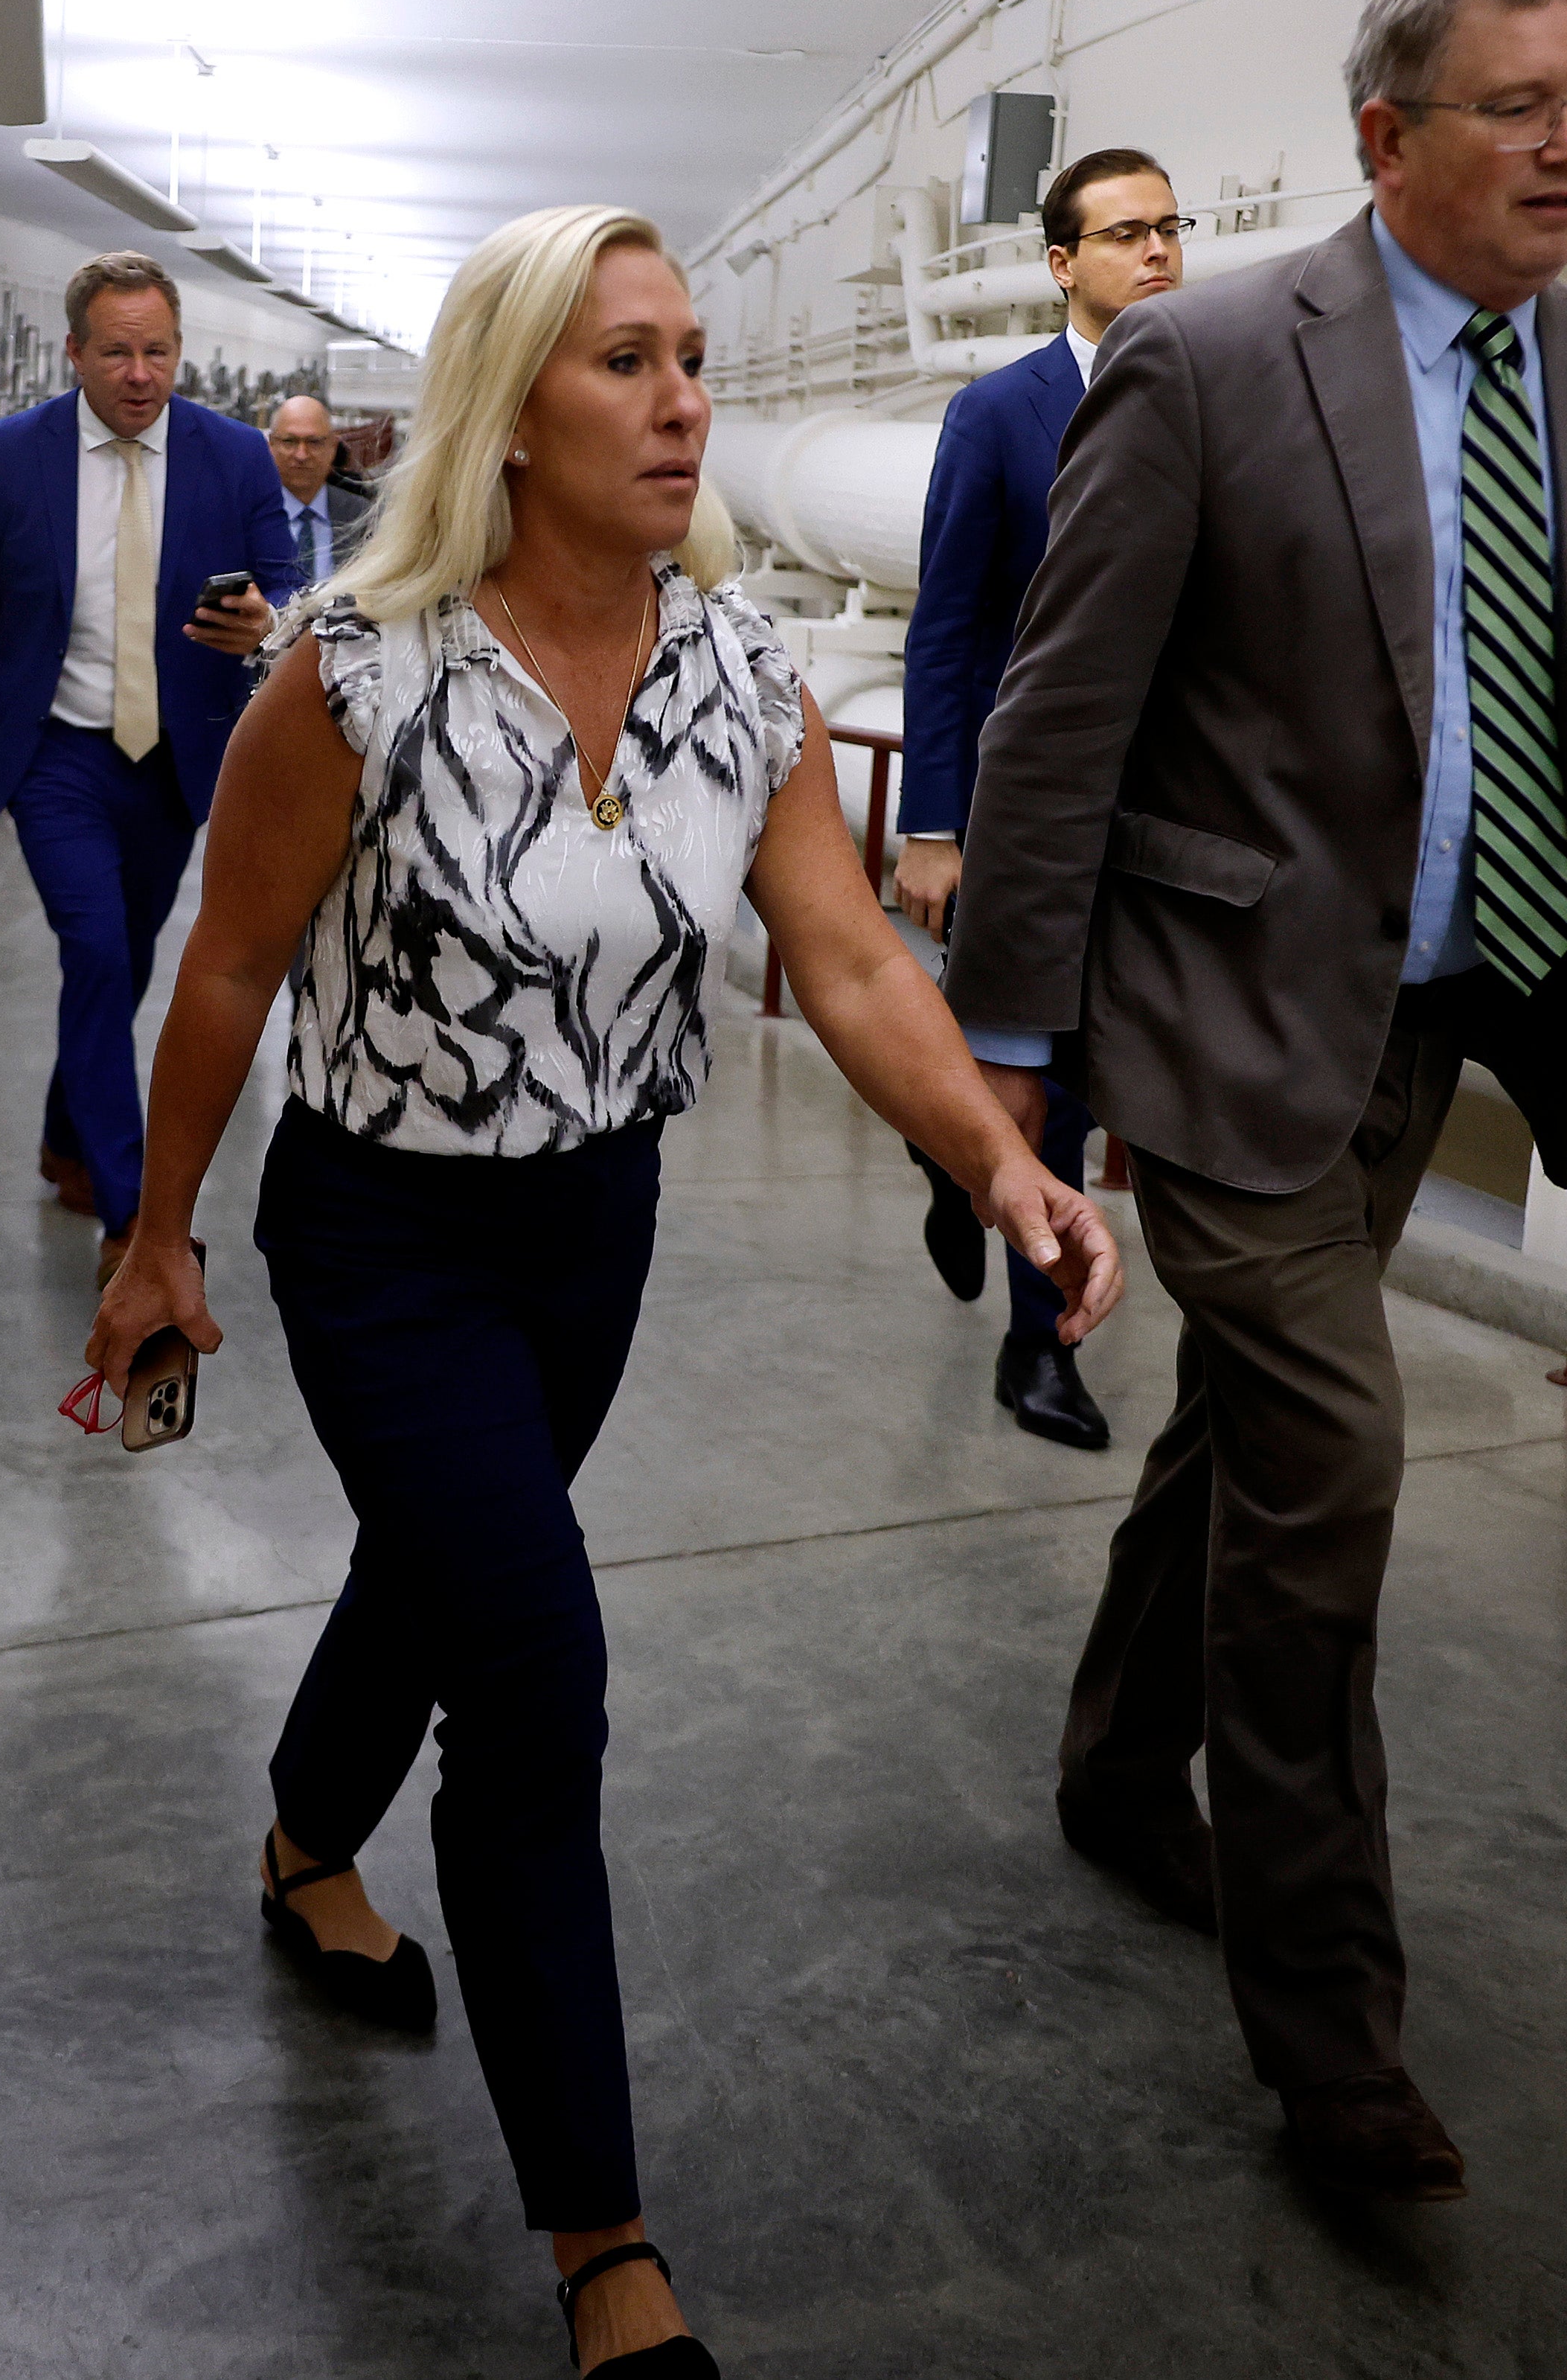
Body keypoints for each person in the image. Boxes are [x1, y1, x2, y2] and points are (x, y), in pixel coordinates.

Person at [84, 206, 1123, 2377]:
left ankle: (296, 1834)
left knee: (455, 1562)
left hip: (589, 1229)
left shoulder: (745, 680)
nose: (677, 401)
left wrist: (1003, 1158)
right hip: (378, 1232)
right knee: (531, 1665)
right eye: (622, 361)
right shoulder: (356, 669)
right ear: (513, 408)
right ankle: (604, 2245)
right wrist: (157, 1231)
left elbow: (839, 956)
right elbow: (229, 966)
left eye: (687, 358)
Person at [941, 0, 1567, 2205]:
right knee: (1332, 1455)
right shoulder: (1209, 363)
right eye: (1517, 103)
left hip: (1434, 1031)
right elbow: (1060, 721)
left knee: (1241, 1422)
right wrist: (1005, 1061)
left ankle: (1122, 1766)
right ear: (1381, 136)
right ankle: (1330, 2037)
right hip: (1220, 1025)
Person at [0, 253, 301, 1269]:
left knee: (127, 959)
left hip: (172, 758)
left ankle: (65, 1137)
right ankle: (133, 1212)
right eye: (115, 352)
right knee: (99, 954)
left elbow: (293, 600)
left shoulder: (235, 456)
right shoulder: (12, 454)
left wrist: (270, 623)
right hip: (54, 752)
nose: (138, 372)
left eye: (156, 350)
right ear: (74, 352)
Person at [894, 144, 1188, 1451]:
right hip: (1028, 818)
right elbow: (946, 631)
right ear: (1063, 264)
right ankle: (1040, 1347)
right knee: (1049, 1088)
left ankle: (955, 1163)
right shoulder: (998, 416)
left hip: (1171, 814)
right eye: (1127, 233)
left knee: (1119, 1074)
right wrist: (933, 823)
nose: (1160, 251)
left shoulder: (1217, 401)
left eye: (1172, 229)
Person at [264, 392, 373, 590]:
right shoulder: (247, 515)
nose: (302, 455)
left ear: (333, 447)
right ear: (271, 445)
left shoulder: (364, 517)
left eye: (314, 442)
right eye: (290, 441)